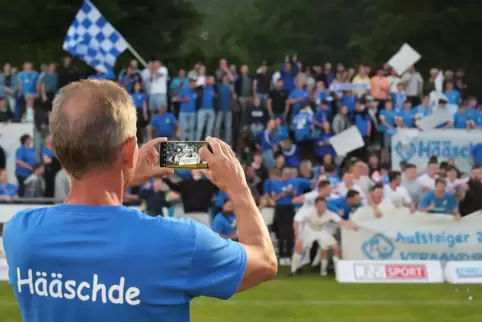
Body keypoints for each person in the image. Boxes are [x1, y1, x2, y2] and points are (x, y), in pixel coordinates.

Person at [3, 80, 277, 322]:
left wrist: (122, 176)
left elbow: (77, 213)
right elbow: (264, 261)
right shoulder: (177, 241)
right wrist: (238, 187)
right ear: (130, 149)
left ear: (54, 147)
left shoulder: (20, 233)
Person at [290, 197, 357, 276]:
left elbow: (342, 222)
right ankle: (293, 270)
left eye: (324, 205)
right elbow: (296, 222)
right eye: (320, 205)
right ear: (316, 206)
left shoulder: (329, 213)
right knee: (299, 245)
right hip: (309, 230)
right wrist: (297, 236)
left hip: (321, 230)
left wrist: (352, 226)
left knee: (336, 247)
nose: (322, 207)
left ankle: (338, 272)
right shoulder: (308, 211)